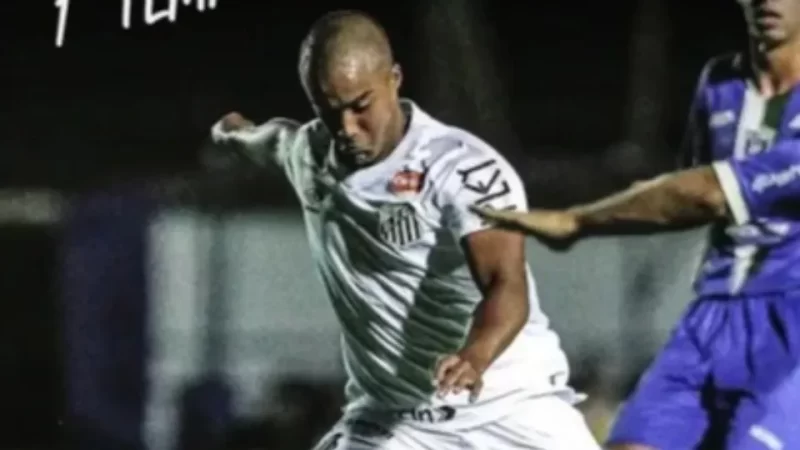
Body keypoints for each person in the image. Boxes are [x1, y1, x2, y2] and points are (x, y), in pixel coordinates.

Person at [207, 9, 599, 450]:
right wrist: (228, 132)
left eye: (361, 106)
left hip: (508, 405)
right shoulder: (308, 154)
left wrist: (475, 356)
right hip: (395, 420)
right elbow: (259, 138)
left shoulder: (463, 169)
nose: (347, 128)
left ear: (394, 79)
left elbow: (505, 284)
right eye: (329, 111)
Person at [473, 0, 800, 448]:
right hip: (710, 317)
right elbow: (683, 200)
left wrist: (576, 221)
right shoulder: (718, 83)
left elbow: (708, 192)